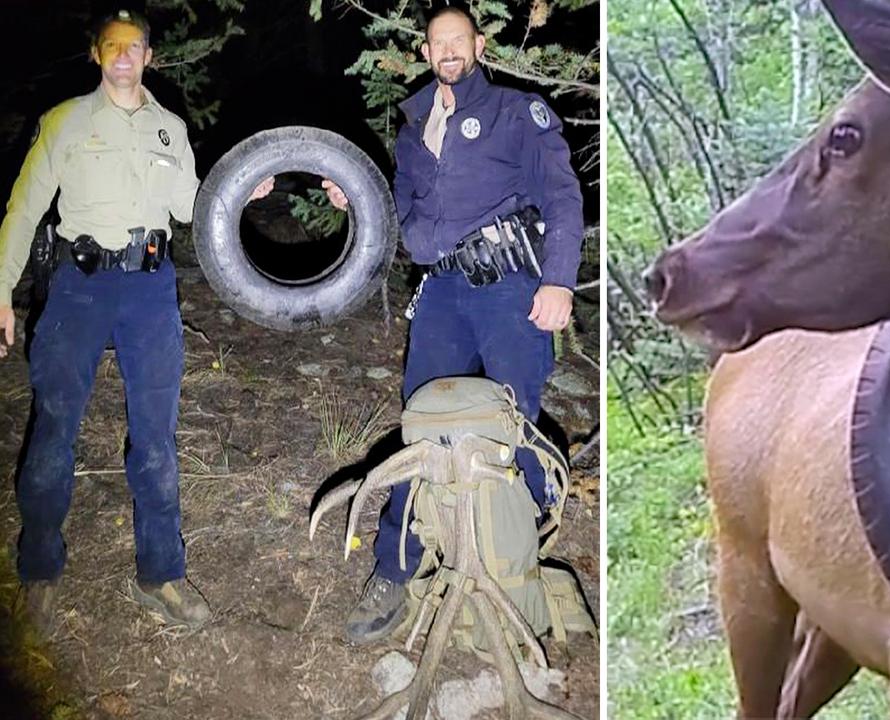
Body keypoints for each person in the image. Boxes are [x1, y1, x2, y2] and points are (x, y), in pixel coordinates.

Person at [0, 9, 276, 633]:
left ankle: (162, 574)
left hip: (151, 290)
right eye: (112, 46)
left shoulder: (170, 129)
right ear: (97, 55)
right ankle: (39, 569)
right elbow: (22, 210)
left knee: (156, 437)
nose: (124, 56)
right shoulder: (66, 122)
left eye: (134, 47)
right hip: (80, 288)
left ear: (149, 57)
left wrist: (241, 191)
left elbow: (190, 206)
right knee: (53, 429)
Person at [327, 4, 585, 644]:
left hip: (511, 289)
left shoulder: (515, 112)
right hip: (442, 291)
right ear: (425, 52)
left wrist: (559, 279)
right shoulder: (414, 127)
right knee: (422, 423)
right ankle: (395, 568)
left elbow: (562, 195)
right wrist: (355, 199)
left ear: (477, 44)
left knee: (515, 420)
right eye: (437, 43)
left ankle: (515, 565)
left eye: (458, 40)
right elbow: (403, 214)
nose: (448, 51)